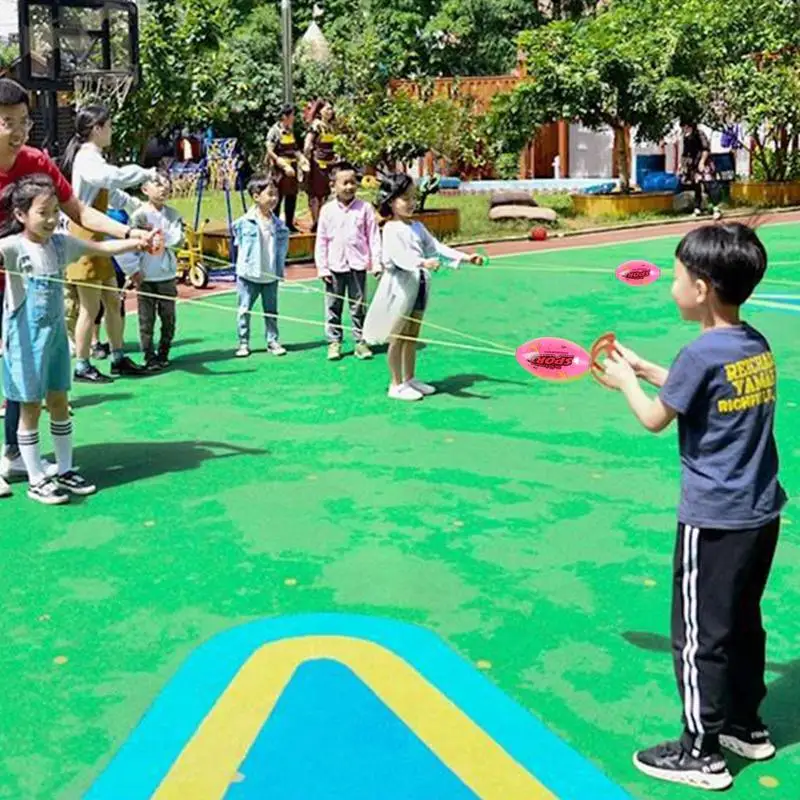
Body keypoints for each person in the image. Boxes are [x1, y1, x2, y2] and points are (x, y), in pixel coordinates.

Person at [602, 223, 786, 792]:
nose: (671, 287)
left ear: (702, 287)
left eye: (678, 277)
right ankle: (745, 725)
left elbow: (657, 416)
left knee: (698, 635)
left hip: (713, 518)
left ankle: (700, 751)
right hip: (760, 514)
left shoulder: (700, 351)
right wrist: (645, 370)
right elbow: (694, 390)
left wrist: (622, 383)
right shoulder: (751, 343)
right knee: (741, 623)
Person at [0, 78, 155, 497]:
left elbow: (79, 210)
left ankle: (14, 453)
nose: (18, 132)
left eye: (24, 122)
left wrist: (130, 233)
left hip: (26, 284)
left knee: (26, 375)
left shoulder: (34, 162)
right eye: (6, 122)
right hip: (9, 272)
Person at [61, 104, 157, 384]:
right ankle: (82, 364)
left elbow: (112, 193)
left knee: (113, 302)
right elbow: (111, 178)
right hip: (83, 236)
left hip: (96, 234)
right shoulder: (87, 158)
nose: (111, 130)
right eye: (109, 125)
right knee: (90, 308)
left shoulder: (96, 158)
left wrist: (138, 208)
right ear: (97, 129)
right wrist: (145, 173)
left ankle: (118, 357)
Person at [375, 173, 483, 401]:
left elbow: (436, 247)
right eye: (405, 198)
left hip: (420, 284)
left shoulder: (417, 227)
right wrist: (422, 262)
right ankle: (395, 384)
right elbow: (398, 257)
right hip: (400, 287)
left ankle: (410, 378)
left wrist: (464, 258)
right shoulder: (391, 229)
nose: (411, 203)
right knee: (398, 336)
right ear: (390, 201)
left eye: (413, 197)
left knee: (413, 335)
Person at [315, 162, 381, 362]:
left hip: (357, 266)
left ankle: (361, 341)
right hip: (334, 267)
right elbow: (322, 240)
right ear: (333, 185)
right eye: (344, 183)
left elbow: (374, 237)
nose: (349, 187)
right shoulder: (327, 210)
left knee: (358, 306)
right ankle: (334, 342)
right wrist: (322, 267)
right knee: (333, 305)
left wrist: (376, 263)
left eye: (353, 182)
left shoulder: (365, 209)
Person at [129, 172, 183, 371]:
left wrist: (161, 236)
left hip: (167, 275)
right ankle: (149, 355)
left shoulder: (173, 215)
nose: (163, 188)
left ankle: (164, 352)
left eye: (165, 184)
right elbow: (131, 244)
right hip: (145, 275)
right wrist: (134, 270)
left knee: (168, 316)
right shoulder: (139, 216)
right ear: (145, 190)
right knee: (146, 319)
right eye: (157, 184)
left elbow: (178, 239)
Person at [233, 174, 289, 358]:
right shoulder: (244, 222)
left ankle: (272, 340)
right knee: (244, 309)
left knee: (271, 310)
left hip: (270, 274)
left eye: (275, 194)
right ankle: (243, 342)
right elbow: (238, 242)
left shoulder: (279, 225)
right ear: (256, 196)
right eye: (270, 194)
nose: (274, 198)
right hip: (249, 275)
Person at [265, 105, 307, 232]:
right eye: (292, 115)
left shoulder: (290, 130)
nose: (294, 118)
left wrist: (302, 158)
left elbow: (294, 149)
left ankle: (289, 223)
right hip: (280, 170)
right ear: (284, 116)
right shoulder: (274, 131)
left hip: (292, 168)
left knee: (291, 196)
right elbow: (270, 150)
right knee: (278, 197)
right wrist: (281, 163)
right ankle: (275, 224)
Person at [304, 99, 336, 231]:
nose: (330, 111)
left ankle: (322, 221)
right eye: (327, 108)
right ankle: (316, 222)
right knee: (315, 194)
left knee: (325, 194)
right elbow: (307, 143)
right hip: (318, 165)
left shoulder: (331, 126)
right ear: (320, 111)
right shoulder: (316, 126)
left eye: (331, 109)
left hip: (330, 165)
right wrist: (307, 161)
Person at [679, 122, 722, 220]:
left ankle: (716, 209)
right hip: (693, 164)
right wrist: (682, 164)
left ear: (690, 126)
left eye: (685, 127)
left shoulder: (699, 134)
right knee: (696, 186)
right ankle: (697, 208)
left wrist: (702, 162)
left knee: (709, 184)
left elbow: (705, 148)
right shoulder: (686, 137)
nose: (684, 129)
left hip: (704, 162)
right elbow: (685, 153)